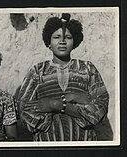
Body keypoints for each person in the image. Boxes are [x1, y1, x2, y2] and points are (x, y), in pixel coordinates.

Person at [18, 13, 113, 141]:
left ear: (74, 42)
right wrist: (78, 101)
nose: (62, 41)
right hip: (48, 142)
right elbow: (24, 110)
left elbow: (100, 107)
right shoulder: (37, 72)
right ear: (49, 43)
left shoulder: (87, 69)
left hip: (83, 142)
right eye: (56, 37)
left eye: (68, 37)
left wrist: (55, 105)